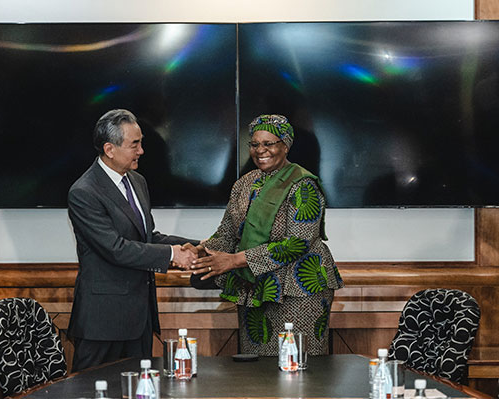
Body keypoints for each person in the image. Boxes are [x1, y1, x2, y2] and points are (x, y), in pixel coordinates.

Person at [190, 114, 344, 356]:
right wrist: (203, 251)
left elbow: (297, 243)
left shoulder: (303, 185)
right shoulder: (244, 183)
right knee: (257, 370)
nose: (260, 150)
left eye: (269, 143)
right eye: (255, 144)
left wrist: (233, 260)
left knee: (298, 366)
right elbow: (228, 232)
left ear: (285, 145)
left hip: (298, 290)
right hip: (255, 288)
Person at [67, 109, 198, 372]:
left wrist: (198, 245)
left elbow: (149, 237)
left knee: (140, 388)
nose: (141, 151)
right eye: (134, 144)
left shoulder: (137, 181)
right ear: (110, 149)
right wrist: (173, 255)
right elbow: (115, 249)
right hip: (102, 323)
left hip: (139, 319)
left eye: (141, 142)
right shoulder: (83, 192)